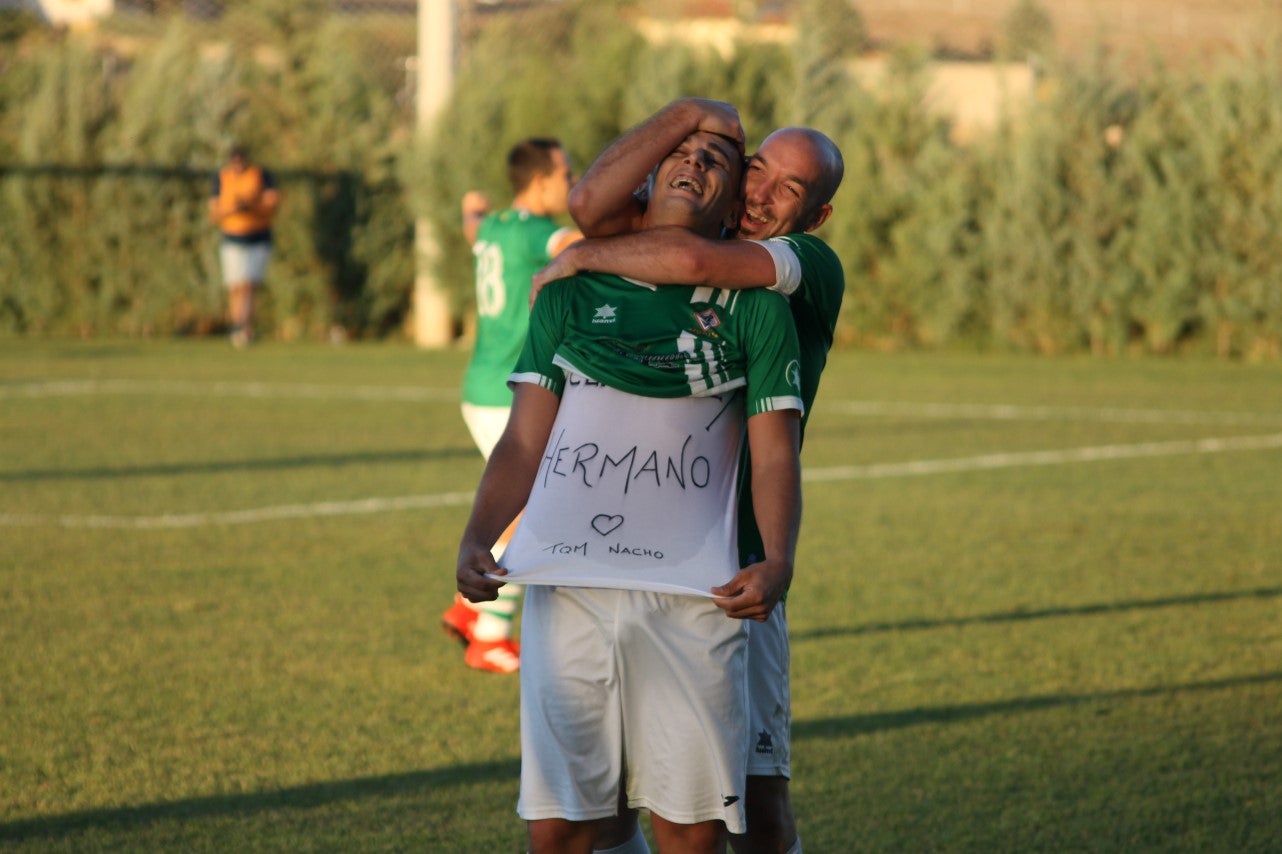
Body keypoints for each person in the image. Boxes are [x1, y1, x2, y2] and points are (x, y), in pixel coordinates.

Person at [455, 123, 805, 854]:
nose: (696, 163)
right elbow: (524, 440)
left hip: (693, 599)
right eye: (679, 154)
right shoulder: (569, 295)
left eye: (715, 160)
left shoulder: (758, 307)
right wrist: (475, 535)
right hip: (570, 585)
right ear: (643, 182)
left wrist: (778, 559)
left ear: (730, 202)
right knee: (560, 829)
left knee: (689, 831)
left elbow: (775, 457)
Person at [533, 98, 846, 854]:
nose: (763, 194)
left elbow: (694, 263)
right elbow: (589, 203)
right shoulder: (688, 231)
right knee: (601, 800)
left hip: (734, 571)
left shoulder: (804, 266)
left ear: (820, 214)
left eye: (789, 189)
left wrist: (582, 256)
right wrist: (686, 116)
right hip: (619, 565)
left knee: (755, 804)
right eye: (760, 170)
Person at [441, 137, 582, 674]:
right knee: (525, 516)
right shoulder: (539, 232)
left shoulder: (496, 226)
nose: (572, 183)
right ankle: (490, 637)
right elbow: (581, 240)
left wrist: (470, 209)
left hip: (482, 385)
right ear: (540, 180)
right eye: (566, 174)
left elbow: (474, 227)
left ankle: (465, 613)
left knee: (522, 510)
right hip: (507, 391)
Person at [208, 145, 280, 348]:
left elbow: (272, 202)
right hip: (232, 237)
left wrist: (252, 206)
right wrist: (233, 208)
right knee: (235, 285)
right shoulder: (222, 177)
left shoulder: (259, 175)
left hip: (257, 237)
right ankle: (238, 327)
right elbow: (214, 211)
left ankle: (244, 327)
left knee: (249, 284)